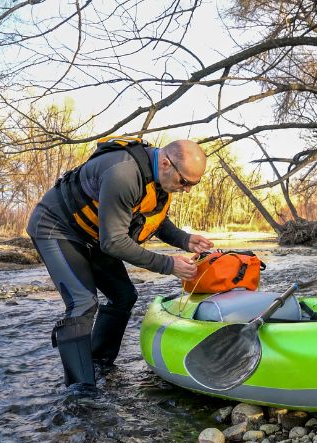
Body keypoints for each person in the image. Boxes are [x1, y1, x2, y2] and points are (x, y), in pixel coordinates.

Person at [26, 137, 213, 388]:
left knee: (124, 295)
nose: (187, 189)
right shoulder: (123, 174)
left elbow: (154, 219)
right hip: (57, 228)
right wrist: (169, 265)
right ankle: (80, 392)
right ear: (167, 163)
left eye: (193, 184)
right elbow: (113, 243)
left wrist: (185, 239)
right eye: (185, 182)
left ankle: (99, 362)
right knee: (82, 303)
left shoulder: (159, 179)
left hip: (94, 235)